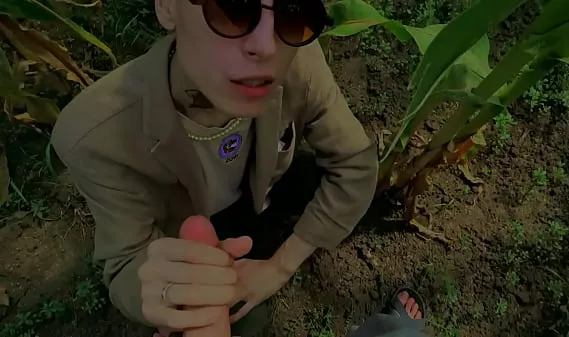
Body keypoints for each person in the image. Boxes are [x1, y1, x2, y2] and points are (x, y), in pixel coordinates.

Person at [50, 0, 379, 336]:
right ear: (166, 6)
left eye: (294, 13)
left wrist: (280, 266)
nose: (266, 47)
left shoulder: (300, 60)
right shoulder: (95, 135)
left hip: (265, 190)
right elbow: (127, 261)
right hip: (191, 237)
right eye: (232, 9)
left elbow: (355, 162)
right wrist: (170, 295)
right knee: (244, 320)